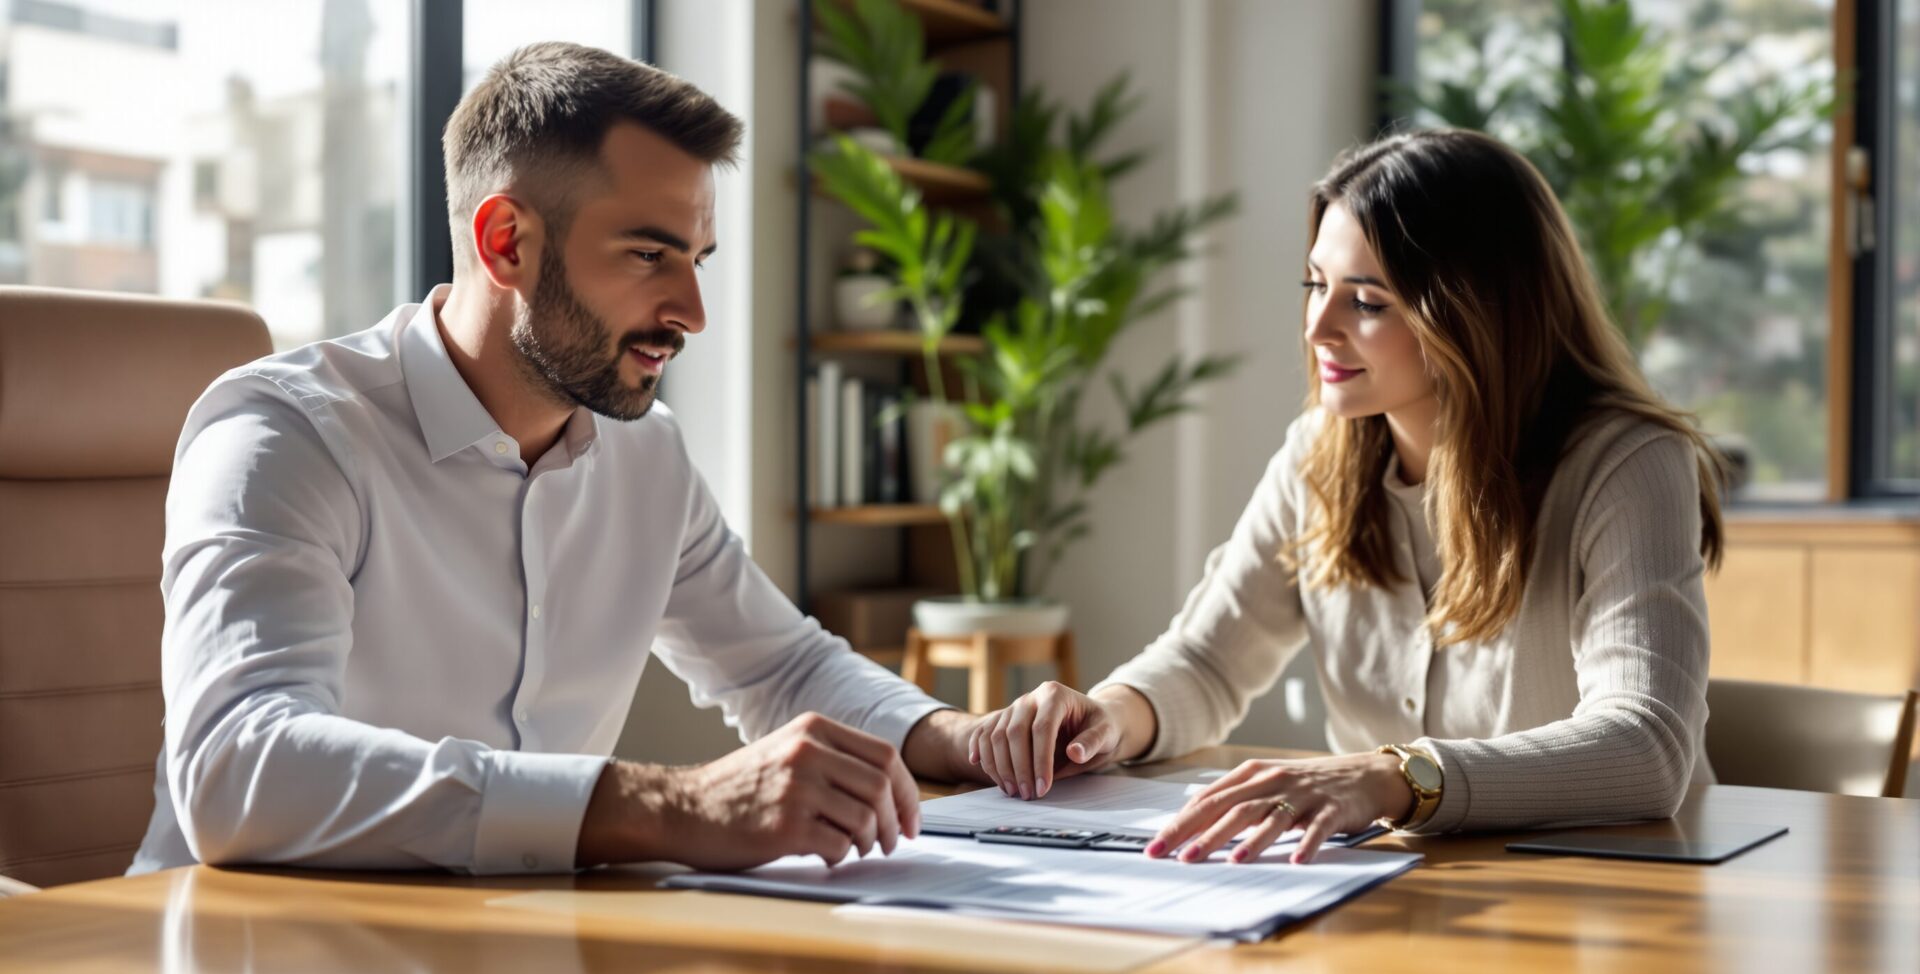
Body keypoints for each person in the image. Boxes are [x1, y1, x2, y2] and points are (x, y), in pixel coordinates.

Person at [130, 43, 982, 877]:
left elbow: (779, 664)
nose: (692, 312)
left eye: (697, 261)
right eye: (650, 255)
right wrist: (677, 806)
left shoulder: (646, 456)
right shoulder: (287, 437)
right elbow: (239, 769)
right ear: (506, 243)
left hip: (515, 965)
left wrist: (959, 737)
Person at [965, 129, 1725, 864]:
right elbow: (1206, 662)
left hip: (1613, 894)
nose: (1318, 327)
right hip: (1399, 891)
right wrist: (1108, 718)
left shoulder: (1628, 463)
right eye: (1316, 286)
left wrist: (1394, 776)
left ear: (1474, 311)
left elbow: (1645, 747)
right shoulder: (1317, 456)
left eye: (1367, 301)